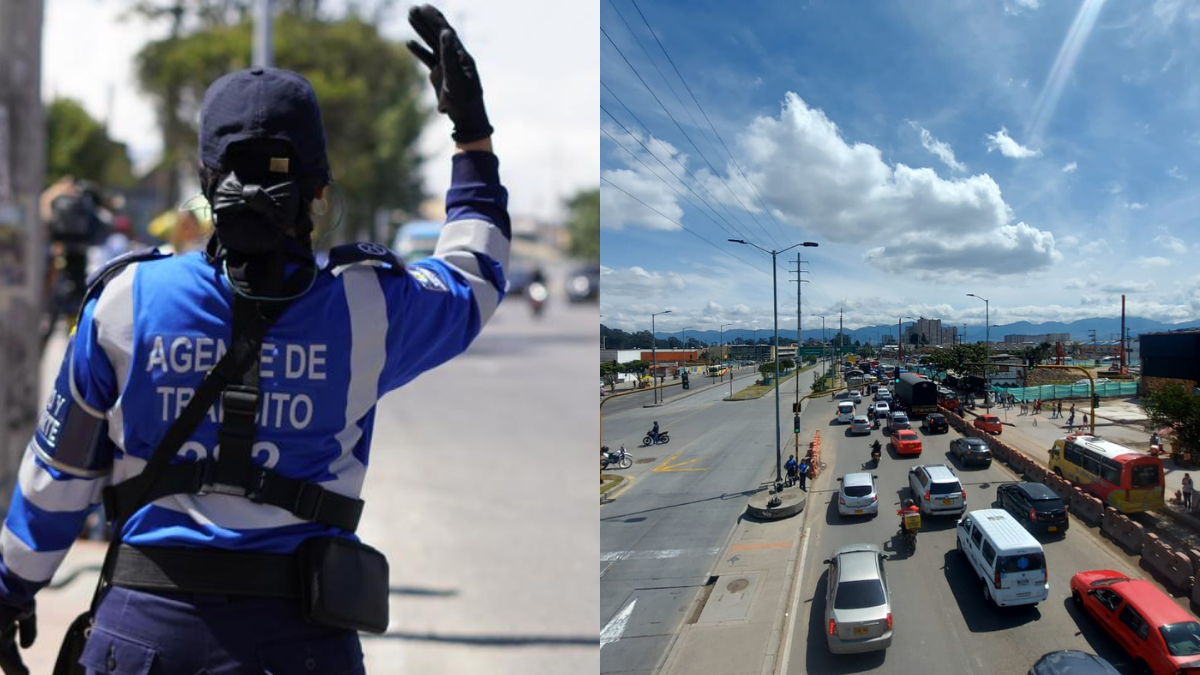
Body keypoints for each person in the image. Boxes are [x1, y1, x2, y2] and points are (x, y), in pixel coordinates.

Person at [0, 6, 507, 673]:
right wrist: (471, 137)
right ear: (319, 189)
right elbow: (475, 276)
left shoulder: (124, 300)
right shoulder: (368, 308)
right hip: (304, 643)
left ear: (208, 185)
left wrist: (12, 589)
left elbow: (57, 478)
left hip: (141, 637)